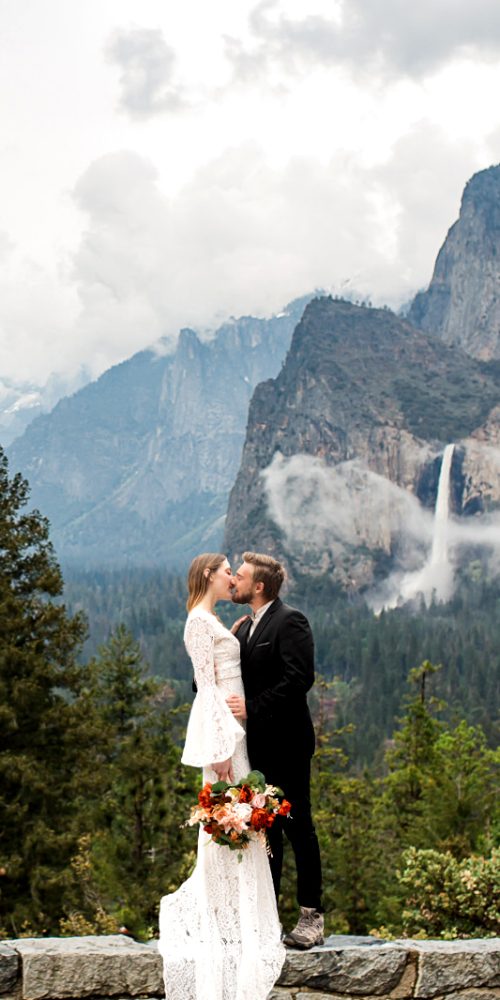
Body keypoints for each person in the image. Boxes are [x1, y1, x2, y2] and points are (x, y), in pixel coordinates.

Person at [158, 553, 285, 1000]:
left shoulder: (211, 620)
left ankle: (237, 909)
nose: (233, 577)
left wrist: (229, 638)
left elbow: (223, 663)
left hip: (238, 729)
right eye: (228, 570)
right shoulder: (197, 621)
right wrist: (222, 754)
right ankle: (224, 913)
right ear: (209, 575)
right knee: (230, 818)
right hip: (224, 733)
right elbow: (207, 688)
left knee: (241, 820)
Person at [227, 551, 324, 950]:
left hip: (288, 744)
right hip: (256, 750)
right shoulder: (246, 626)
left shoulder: (290, 621)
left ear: (260, 586)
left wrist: (254, 707)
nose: (235, 580)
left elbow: (299, 678)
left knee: (299, 826)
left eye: (242, 576)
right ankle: (268, 920)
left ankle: (311, 917)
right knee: (266, 832)